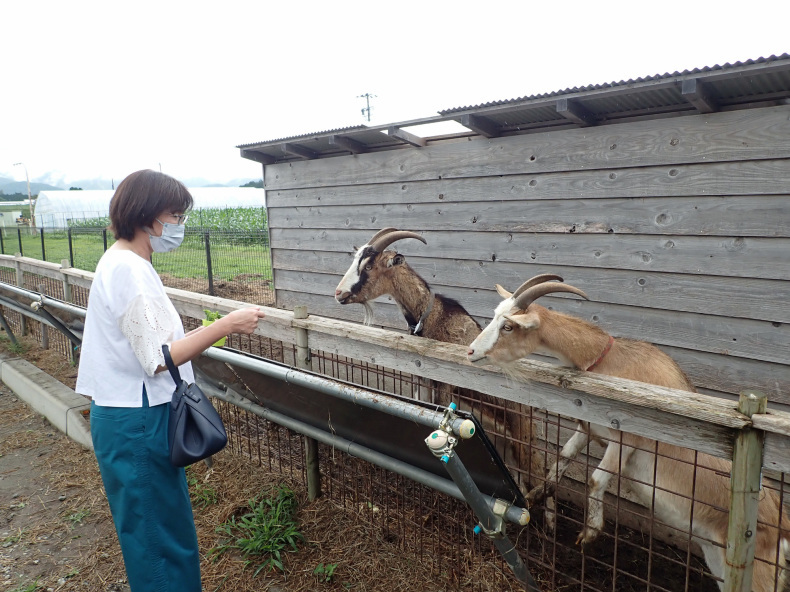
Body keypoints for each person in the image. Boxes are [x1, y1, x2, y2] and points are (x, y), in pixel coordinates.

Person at [76, 169, 266, 592]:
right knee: (159, 543)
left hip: (132, 416)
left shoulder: (123, 262)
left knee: (159, 535)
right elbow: (159, 358)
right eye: (174, 214)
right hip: (138, 420)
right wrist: (227, 325)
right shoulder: (128, 269)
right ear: (146, 216)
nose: (179, 224)